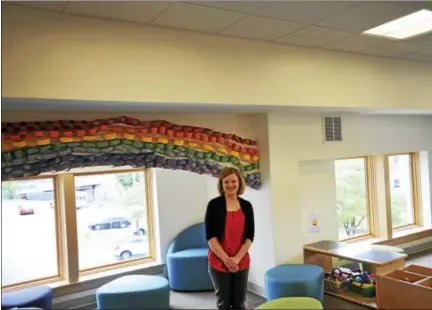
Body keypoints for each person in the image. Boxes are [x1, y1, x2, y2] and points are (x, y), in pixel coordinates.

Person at [205, 167, 255, 310]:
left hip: (241, 261)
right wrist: (227, 260)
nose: (230, 185)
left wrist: (237, 259)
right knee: (224, 304)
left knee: (240, 303)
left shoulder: (247, 206)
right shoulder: (214, 205)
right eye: (226, 182)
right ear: (221, 184)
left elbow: (250, 236)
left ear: (239, 183)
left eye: (233, 181)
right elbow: (210, 236)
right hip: (219, 261)